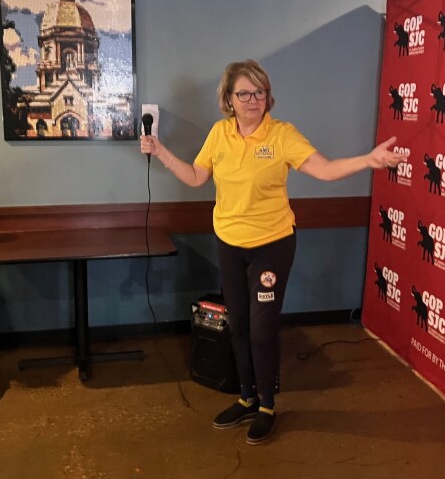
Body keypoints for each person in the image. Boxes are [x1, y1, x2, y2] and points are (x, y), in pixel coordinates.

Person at [140, 60, 407, 444]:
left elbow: (326, 169)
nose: (253, 100)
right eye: (244, 93)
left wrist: (369, 160)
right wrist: (162, 151)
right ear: (229, 99)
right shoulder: (219, 134)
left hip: (272, 245)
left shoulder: (281, 135)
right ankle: (246, 397)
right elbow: (198, 177)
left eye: (259, 92)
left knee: (263, 329)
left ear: (268, 95)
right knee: (239, 325)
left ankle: (266, 404)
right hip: (229, 243)